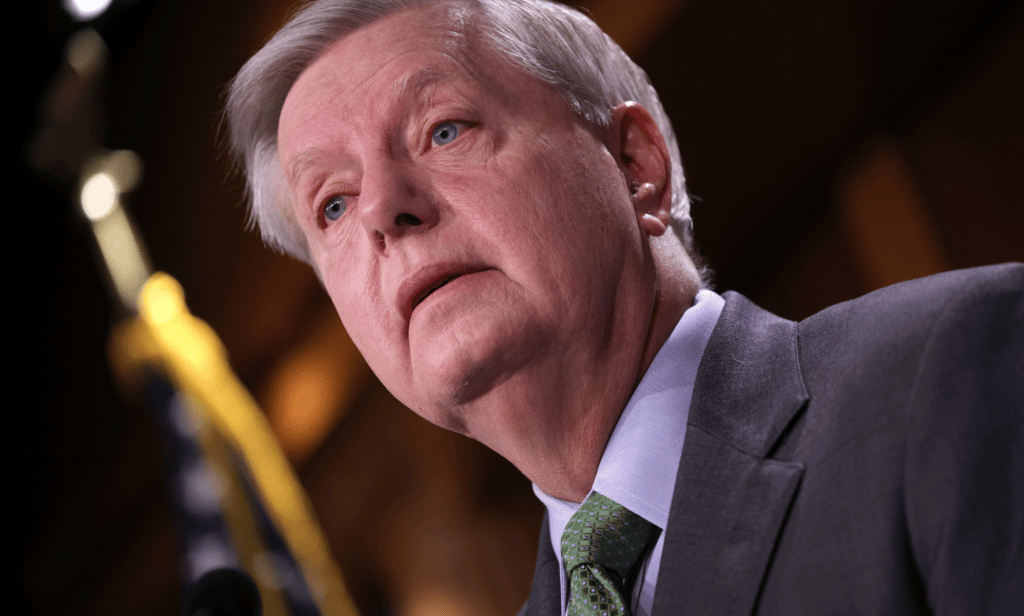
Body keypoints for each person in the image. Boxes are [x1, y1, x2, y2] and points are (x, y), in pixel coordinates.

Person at [225, 0, 1023, 614]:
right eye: (332, 205)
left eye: (443, 131)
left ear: (636, 165)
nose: (381, 213)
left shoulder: (950, 373)